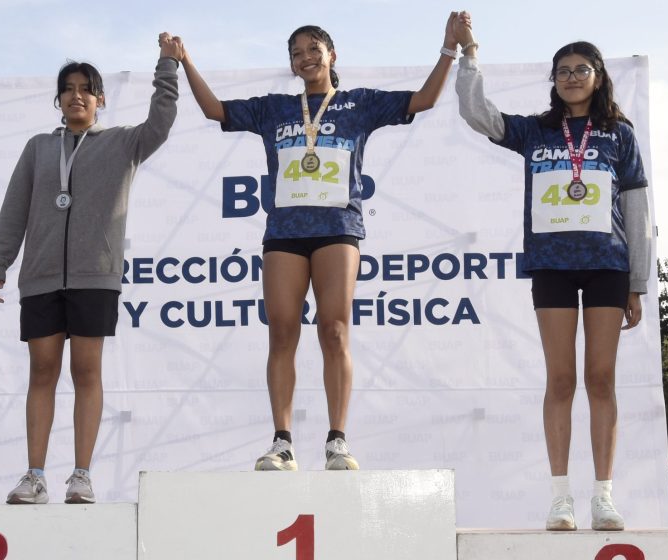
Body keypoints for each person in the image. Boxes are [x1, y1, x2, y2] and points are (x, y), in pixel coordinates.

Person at [177, 17, 458, 471]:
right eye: (296, 53)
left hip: (337, 229)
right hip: (285, 233)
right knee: (282, 330)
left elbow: (423, 100)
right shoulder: (274, 109)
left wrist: (448, 49)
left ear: (332, 55)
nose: (305, 58)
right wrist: (185, 60)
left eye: (313, 49)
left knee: (334, 329)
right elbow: (216, 111)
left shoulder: (358, 104)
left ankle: (337, 440)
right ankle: (282, 441)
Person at [453, 13, 651, 531]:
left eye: (580, 68)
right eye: (561, 70)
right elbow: (476, 113)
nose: (570, 77)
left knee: (600, 379)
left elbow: (637, 210)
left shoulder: (619, 134)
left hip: (608, 264)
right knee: (561, 379)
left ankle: (603, 497)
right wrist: (469, 53)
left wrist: (638, 280)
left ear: (599, 76)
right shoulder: (536, 130)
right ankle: (561, 496)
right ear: (554, 81)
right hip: (552, 266)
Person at [0, 33, 182, 504]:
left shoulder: (122, 144)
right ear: (59, 99)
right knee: (42, 372)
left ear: (100, 99)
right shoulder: (37, 148)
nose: (77, 95)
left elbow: (161, 122)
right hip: (41, 276)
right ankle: (34, 476)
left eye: (86, 88)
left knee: (86, 371)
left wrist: (167, 67)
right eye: (69, 88)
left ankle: (81, 475)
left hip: (95, 275)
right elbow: (15, 208)